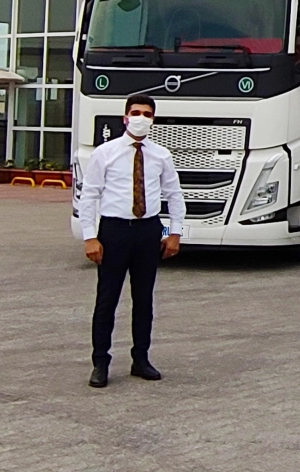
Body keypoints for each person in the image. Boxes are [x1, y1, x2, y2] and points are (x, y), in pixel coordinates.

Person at [76, 94, 185, 389]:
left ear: (153, 120)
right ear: (125, 118)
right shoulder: (105, 153)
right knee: (107, 299)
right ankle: (100, 362)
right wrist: (90, 237)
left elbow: (174, 195)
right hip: (114, 230)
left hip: (148, 230)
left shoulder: (161, 155)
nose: (141, 118)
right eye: (136, 113)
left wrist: (174, 233)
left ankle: (141, 358)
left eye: (147, 114)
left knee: (144, 299)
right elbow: (90, 195)